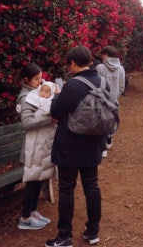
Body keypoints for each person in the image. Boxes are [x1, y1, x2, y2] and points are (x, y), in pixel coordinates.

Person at [46, 46, 107, 247]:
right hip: (93, 143)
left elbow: (55, 112)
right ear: (90, 61)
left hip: (70, 145)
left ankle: (64, 236)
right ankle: (93, 231)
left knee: (66, 189)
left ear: (72, 63)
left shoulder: (72, 85)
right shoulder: (102, 82)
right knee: (92, 186)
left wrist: (57, 94)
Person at [18, 73, 57, 231]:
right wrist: (49, 120)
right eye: (36, 78)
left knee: (38, 178)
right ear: (26, 79)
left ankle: (33, 211)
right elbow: (27, 123)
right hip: (32, 147)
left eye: (41, 78)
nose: (40, 82)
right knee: (32, 180)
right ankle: (25, 217)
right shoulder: (28, 98)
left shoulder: (41, 96)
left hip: (40, 146)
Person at [96, 45, 126, 157]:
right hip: (114, 100)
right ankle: (109, 139)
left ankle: (103, 148)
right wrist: (115, 94)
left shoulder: (100, 68)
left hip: (102, 99)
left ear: (106, 55)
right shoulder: (121, 69)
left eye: (102, 55)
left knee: (101, 122)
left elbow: (97, 83)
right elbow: (122, 86)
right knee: (112, 120)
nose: (102, 57)